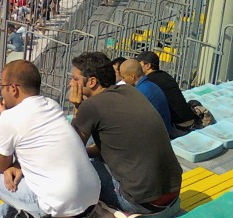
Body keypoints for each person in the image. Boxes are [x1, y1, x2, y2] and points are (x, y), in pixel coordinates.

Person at [0, 60, 100, 218]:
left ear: (13, 89)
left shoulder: (10, 118)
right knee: (17, 177)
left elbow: (0, 166)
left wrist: (3, 119)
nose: (1, 93)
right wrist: (17, 165)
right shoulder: (52, 105)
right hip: (90, 197)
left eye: (2, 87)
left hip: (58, 205)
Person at [69, 52, 182, 217]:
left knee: (79, 172)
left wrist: (77, 106)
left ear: (92, 81)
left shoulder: (90, 106)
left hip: (141, 203)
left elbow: (71, 152)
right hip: (172, 194)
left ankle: (115, 210)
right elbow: (113, 144)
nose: (70, 83)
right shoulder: (130, 91)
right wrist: (89, 152)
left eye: (75, 78)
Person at [136, 50, 196, 135]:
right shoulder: (165, 75)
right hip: (190, 120)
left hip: (177, 126)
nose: (136, 67)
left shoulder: (149, 82)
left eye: (139, 65)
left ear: (148, 66)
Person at [119, 58, 172, 132]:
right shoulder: (150, 85)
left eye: (123, 77)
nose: (123, 80)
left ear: (132, 76)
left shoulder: (140, 92)